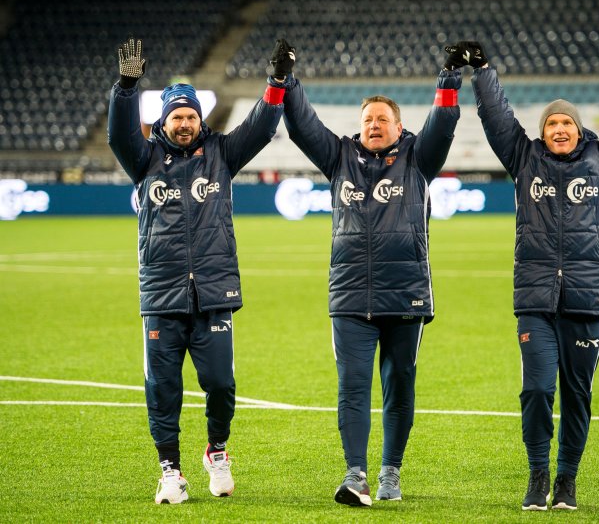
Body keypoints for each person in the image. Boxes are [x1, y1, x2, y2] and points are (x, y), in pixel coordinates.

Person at [268, 39, 469, 506]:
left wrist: (449, 77)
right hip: (351, 296)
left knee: (399, 386)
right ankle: (355, 474)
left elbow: (444, 123)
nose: (374, 125)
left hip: (406, 295)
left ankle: (391, 473)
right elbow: (303, 126)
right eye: (367, 120)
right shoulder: (339, 158)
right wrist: (287, 81)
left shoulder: (420, 158)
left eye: (382, 119)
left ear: (399, 127)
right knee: (353, 388)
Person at [469, 15, 599, 511]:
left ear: (579, 128)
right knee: (535, 389)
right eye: (552, 123)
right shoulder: (524, 159)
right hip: (535, 297)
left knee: (577, 395)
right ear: (543, 132)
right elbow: (496, 117)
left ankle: (567, 480)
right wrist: (482, 71)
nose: (559, 129)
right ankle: (537, 474)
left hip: (587, 297)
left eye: (567, 122)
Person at [107, 37, 285, 504]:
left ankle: (217, 451)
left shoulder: (223, 154)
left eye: (190, 116)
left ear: (199, 120)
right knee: (162, 388)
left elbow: (262, 128)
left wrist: (277, 84)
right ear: (163, 121)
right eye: (176, 117)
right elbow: (118, 136)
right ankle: (170, 469)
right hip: (162, 297)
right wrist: (126, 89)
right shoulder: (144, 159)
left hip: (214, 293)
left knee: (222, 384)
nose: (184, 124)